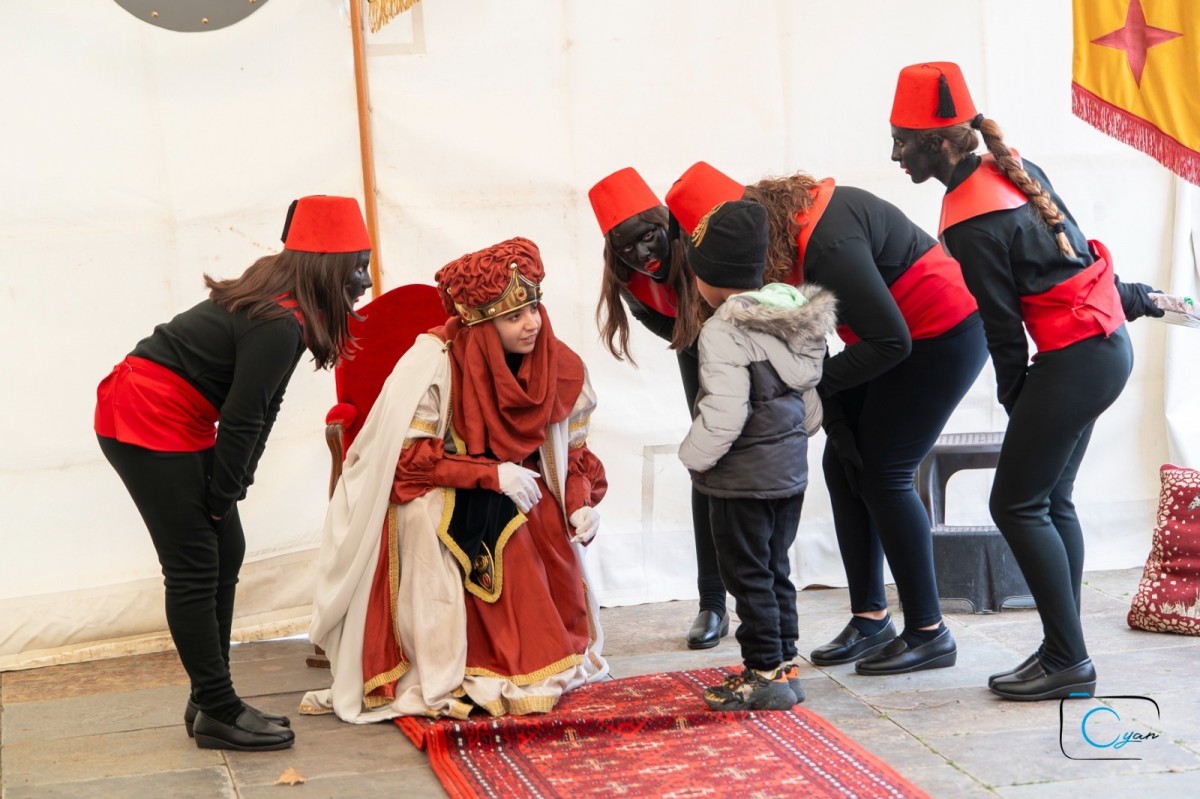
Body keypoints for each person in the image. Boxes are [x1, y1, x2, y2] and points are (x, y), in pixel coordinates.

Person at [888, 61, 1163, 699]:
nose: (895, 153)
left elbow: (1003, 329)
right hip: (1103, 348)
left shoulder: (968, 218)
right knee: (1050, 501)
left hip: (1074, 362)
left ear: (938, 142)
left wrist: (1018, 398)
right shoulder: (1010, 170)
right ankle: (1062, 649)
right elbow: (1065, 263)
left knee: (1015, 504)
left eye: (903, 139)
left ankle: (1068, 659)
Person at [667, 161, 990, 676]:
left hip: (943, 336)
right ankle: (870, 618)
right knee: (845, 462)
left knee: (885, 473)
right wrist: (825, 404)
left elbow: (892, 340)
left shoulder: (828, 246)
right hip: (890, 341)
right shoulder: (794, 229)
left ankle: (929, 631)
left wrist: (809, 384)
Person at [95, 195, 375, 750]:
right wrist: (220, 495)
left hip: (180, 412)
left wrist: (233, 490)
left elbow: (263, 409)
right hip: (145, 412)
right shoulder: (279, 321)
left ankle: (208, 701)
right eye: (355, 266)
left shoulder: (293, 305)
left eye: (365, 262)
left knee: (228, 546)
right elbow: (244, 420)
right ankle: (219, 707)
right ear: (323, 267)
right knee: (196, 560)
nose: (364, 280)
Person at [301, 236, 609, 722]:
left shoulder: (561, 366)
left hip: (520, 482)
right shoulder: (435, 364)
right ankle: (482, 664)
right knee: (486, 531)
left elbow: (574, 457)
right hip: (440, 484)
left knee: (547, 521)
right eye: (514, 316)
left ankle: (540, 654)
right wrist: (490, 474)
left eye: (534, 308)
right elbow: (410, 463)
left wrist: (580, 502)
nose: (531, 324)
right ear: (483, 325)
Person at [673, 198, 835, 710]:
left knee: (747, 577)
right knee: (774, 567)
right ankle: (786, 667)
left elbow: (724, 413)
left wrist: (693, 456)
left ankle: (763, 673)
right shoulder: (788, 317)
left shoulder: (723, 330)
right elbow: (810, 410)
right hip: (788, 477)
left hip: (740, 481)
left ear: (707, 275)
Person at [587, 168, 730, 649]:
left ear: (668, 224)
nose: (641, 255)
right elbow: (673, 334)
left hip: (748, 344)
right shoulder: (629, 280)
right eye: (626, 248)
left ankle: (760, 598)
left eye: (648, 238)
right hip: (696, 344)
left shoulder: (706, 248)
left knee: (759, 468)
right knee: (705, 462)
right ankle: (712, 601)